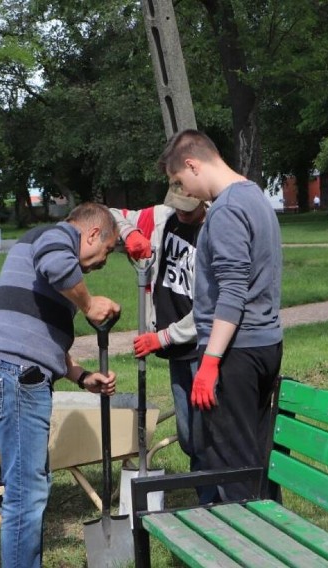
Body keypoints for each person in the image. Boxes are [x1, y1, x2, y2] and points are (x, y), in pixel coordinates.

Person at [0, 202, 126, 568]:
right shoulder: (56, 238)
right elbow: (57, 263)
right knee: (27, 495)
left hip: (12, 374)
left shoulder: (42, 252)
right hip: (16, 378)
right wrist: (88, 304)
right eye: (105, 251)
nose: (102, 263)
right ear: (91, 233)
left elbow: (25, 328)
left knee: (31, 487)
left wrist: (80, 376)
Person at [157, 129, 283, 502]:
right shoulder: (255, 197)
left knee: (232, 465)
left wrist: (210, 362)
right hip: (265, 344)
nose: (184, 192)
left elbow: (232, 292)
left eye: (180, 180)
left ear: (193, 164)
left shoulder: (227, 209)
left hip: (236, 353)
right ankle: (272, 546)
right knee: (257, 459)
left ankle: (245, 551)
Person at [110, 190, 217, 503]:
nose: (181, 213)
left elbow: (212, 310)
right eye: (178, 206)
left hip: (203, 349)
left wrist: (161, 337)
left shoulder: (216, 233)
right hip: (177, 353)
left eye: (188, 208)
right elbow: (108, 213)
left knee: (207, 434)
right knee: (188, 436)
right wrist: (130, 234)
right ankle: (206, 498)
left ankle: (215, 501)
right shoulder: (161, 216)